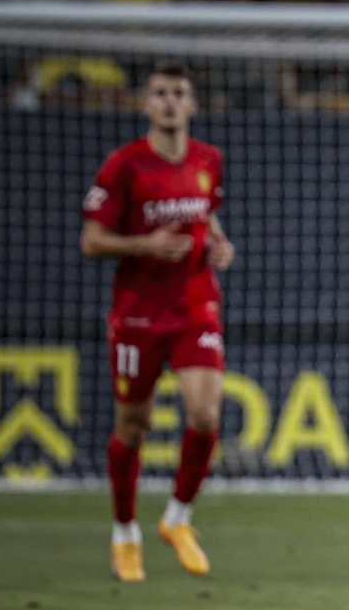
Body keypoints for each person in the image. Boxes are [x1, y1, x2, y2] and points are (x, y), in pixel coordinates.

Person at [80, 63, 235, 582]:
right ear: (146, 105)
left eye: (179, 94)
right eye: (161, 94)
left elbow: (206, 210)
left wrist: (218, 242)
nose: (170, 102)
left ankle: (177, 519)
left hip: (194, 304)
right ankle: (125, 532)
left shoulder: (209, 160)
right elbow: (92, 240)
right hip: (139, 312)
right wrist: (144, 244)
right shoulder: (125, 165)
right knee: (134, 425)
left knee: (206, 413)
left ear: (193, 105)